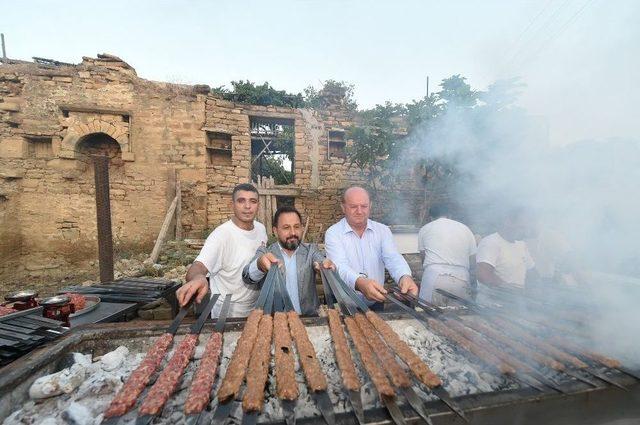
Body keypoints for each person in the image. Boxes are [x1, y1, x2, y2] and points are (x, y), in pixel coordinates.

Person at [175, 183, 268, 318]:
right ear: (232, 205)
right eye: (241, 201)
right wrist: (199, 277)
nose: (247, 206)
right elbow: (199, 266)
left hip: (257, 306)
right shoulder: (221, 235)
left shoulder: (261, 229)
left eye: (252, 201)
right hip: (229, 310)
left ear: (258, 205)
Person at [324, 186, 418, 310]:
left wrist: (404, 276)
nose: (359, 211)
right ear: (343, 207)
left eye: (364, 206)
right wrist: (360, 283)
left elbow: (392, 257)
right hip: (345, 303)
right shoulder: (333, 233)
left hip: (376, 300)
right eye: (353, 207)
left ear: (370, 206)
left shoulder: (382, 230)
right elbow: (340, 265)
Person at [242, 206, 334, 316]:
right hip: (276, 321)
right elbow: (247, 276)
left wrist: (325, 267)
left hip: (309, 320)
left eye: (297, 227)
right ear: (275, 231)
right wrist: (259, 264)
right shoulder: (266, 252)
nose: (293, 232)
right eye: (286, 227)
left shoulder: (311, 251)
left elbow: (321, 261)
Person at [417, 203, 477, 304]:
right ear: (450, 215)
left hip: (434, 277)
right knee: (461, 317)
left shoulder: (425, 229)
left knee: (429, 316)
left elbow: (423, 257)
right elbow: (473, 261)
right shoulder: (465, 229)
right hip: (461, 278)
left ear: (431, 217)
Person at [476, 208, 535, 290]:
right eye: (522, 227)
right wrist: (510, 290)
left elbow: (531, 270)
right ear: (508, 222)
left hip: (517, 300)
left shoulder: (521, 245)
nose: (525, 232)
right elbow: (484, 275)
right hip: (492, 301)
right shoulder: (491, 242)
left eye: (526, 228)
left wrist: (537, 288)